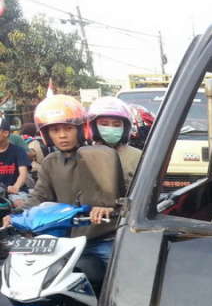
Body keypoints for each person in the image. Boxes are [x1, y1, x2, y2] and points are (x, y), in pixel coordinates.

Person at [3, 95, 121, 269]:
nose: (62, 135)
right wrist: (15, 216)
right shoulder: (50, 162)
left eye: (68, 128)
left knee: (123, 281)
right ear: (47, 135)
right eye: (55, 130)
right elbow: (39, 196)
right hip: (64, 240)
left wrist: (107, 208)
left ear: (81, 129)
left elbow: (120, 197)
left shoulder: (102, 155)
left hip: (101, 237)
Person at [87, 96, 142, 190]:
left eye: (116, 125)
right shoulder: (85, 155)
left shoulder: (137, 156)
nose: (110, 128)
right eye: (104, 124)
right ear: (94, 127)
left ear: (125, 128)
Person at [0, 117, 31, 203]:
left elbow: (23, 174)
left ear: (5, 133)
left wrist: (16, 187)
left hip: (15, 192)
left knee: (19, 204)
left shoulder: (18, 151)